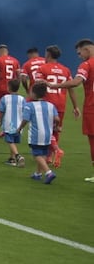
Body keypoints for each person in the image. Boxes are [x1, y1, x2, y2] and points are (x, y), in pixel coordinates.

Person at [46, 38, 94, 182]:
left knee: (93, 141)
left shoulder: (86, 65)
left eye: (79, 53)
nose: (79, 56)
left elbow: (76, 82)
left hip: (92, 108)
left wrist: (53, 86)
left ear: (86, 50)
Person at [35, 45, 79, 168]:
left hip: (48, 103)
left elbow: (39, 86)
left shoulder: (42, 68)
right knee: (56, 130)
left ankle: (54, 151)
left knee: (45, 129)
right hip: (61, 103)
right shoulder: (66, 70)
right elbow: (71, 89)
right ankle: (50, 156)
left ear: (48, 54)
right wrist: (76, 106)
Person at [17, 83, 59, 184]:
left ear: (34, 94)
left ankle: (48, 172)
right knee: (43, 153)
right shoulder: (51, 105)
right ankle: (38, 174)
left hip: (36, 134)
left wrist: (19, 128)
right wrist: (56, 126)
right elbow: (57, 118)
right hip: (48, 135)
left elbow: (25, 120)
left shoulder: (30, 106)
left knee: (36, 154)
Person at [0, 77, 26, 167]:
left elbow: (1, 111)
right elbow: (25, 111)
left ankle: (18, 156)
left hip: (9, 123)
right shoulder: (22, 99)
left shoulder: (5, 98)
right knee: (13, 141)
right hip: (19, 124)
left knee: (10, 141)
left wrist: (0, 121)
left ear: (8, 87)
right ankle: (12, 159)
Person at [0, 44, 21, 121]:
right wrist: (16, 88)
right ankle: (8, 124)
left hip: (1, 88)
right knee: (9, 108)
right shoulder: (15, 61)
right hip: (11, 88)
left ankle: (2, 123)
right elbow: (19, 76)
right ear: (7, 51)